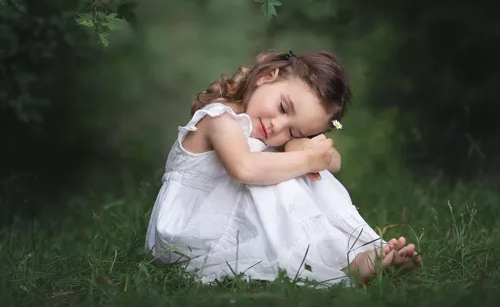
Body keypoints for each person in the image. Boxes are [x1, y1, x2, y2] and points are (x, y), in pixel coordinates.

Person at [145, 50, 422, 287]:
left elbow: (332, 161)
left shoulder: (269, 136)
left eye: (293, 129)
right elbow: (245, 168)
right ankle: (338, 263)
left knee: (305, 173)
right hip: (188, 236)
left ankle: (354, 255)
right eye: (282, 107)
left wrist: (306, 150)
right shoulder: (220, 119)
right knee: (283, 176)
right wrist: (307, 159)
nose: (278, 126)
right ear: (268, 77)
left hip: (227, 228)